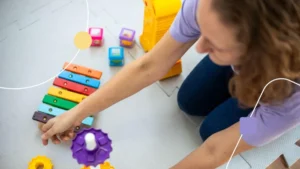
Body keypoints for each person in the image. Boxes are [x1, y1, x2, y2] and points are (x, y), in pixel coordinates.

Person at [39, 0, 300, 168]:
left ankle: (275, 121)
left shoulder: (292, 97)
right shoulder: (207, 4)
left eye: (215, 44)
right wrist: (78, 111)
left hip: (277, 84)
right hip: (254, 61)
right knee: (188, 100)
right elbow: (149, 65)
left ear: (258, 53)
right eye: (202, 30)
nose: (197, 47)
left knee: (211, 131)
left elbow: (214, 151)